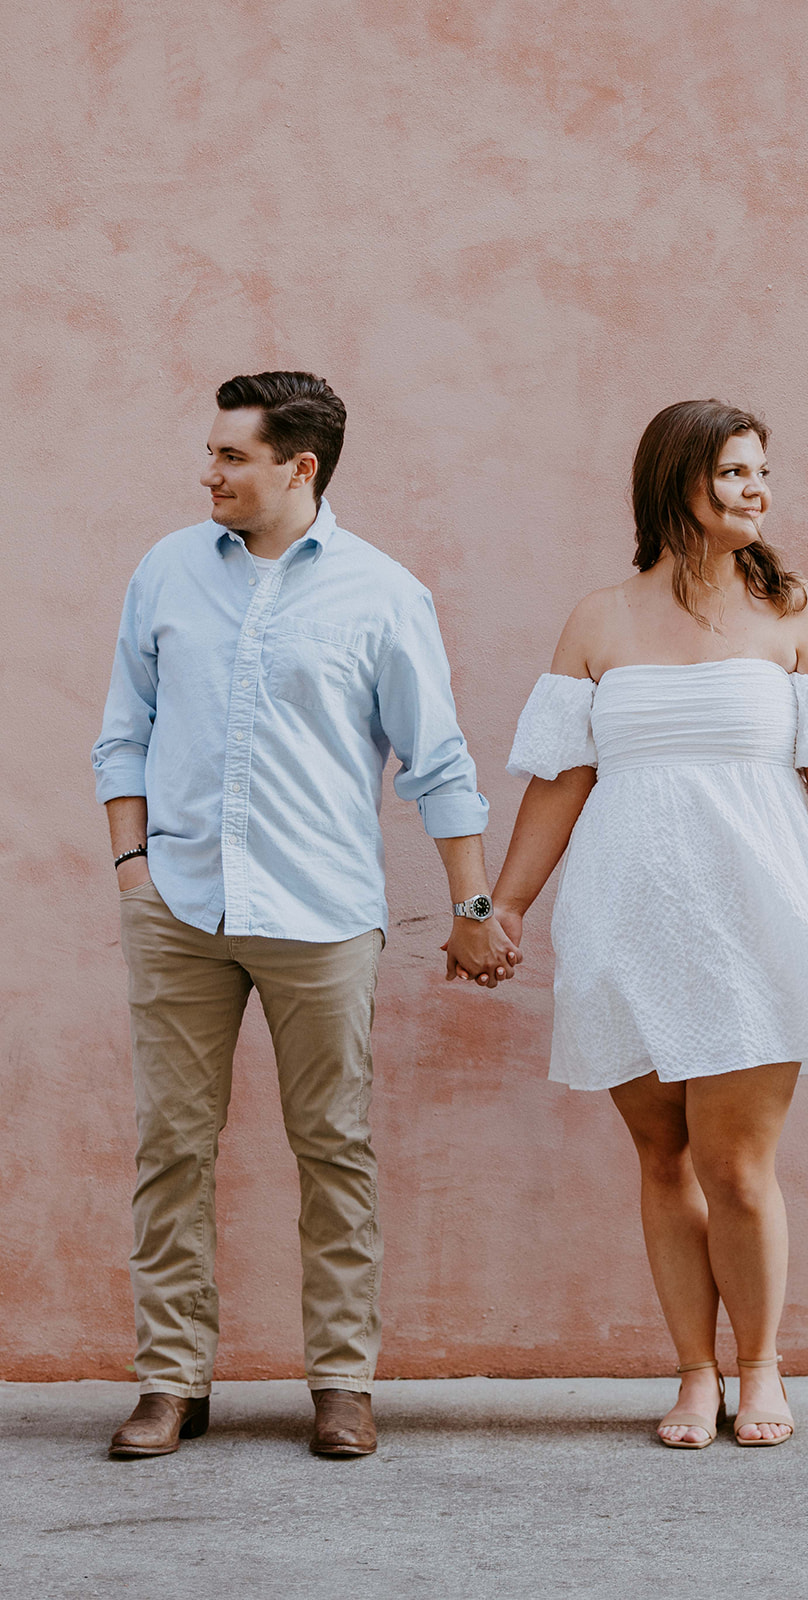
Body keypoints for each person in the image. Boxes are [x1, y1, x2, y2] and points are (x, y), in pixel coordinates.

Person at [93, 370, 518, 1459]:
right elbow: (122, 730)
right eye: (212, 451)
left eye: (232, 456)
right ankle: (171, 1380)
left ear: (300, 467)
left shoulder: (382, 594)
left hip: (320, 915)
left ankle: (341, 1378)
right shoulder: (168, 570)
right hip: (180, 905)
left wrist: (473, 905)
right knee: (170, 1146)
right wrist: (133, 869)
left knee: (333, 1145)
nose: (209, 473)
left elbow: (438, 764)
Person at [489, 400, 808, 1449]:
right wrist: (501, 904)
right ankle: (691, 1373)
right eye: (730, 471)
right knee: (660, 1150)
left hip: (755, 914)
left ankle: (759, 1368)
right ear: (672, 482)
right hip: (625, 915)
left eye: (759, 470)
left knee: (735, 1161)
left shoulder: (800, 612)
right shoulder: (598, 618)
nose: (753, 489)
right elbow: (560, 782)